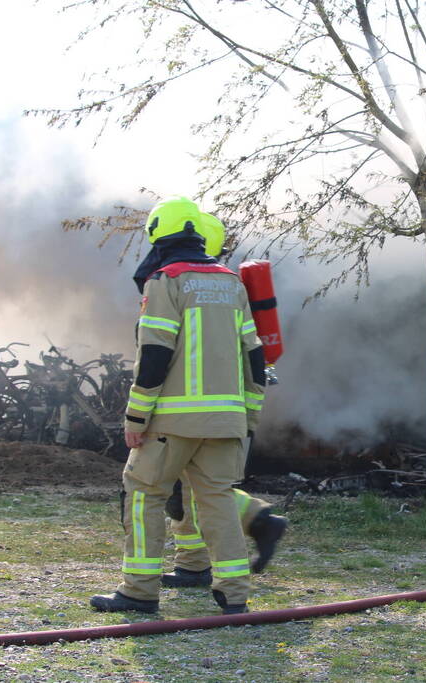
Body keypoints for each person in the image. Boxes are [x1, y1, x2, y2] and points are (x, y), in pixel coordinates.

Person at [90, 196, 265, 615]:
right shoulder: (231, 282)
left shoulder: (165, 280)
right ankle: (234, 594)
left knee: (143, 493)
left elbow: (153, 354)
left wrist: (136, 415)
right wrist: (250, 417)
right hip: (226, 421)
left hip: (171, 421)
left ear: (156, 234)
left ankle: (139, 590)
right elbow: (255, 355)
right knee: (218, 499)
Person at [161, 212, 287, 588]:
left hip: (197, 407)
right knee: (189, 487)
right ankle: (193, 565)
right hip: (223, 406)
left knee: (198, 487)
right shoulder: (225, 287)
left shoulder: (193, 288)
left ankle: (260, 522)